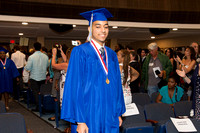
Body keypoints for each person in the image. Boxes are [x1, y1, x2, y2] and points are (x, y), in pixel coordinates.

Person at [61, 8, 125, 133]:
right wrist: (80, 120)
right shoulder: (80, 52)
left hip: (109, 112)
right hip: (89, 112)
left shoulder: (111, 54)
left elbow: (117, 85)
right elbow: (75, 86)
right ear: (90, 28)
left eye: (106, 27)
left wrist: (118, 112)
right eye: (98, 26)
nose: (103, 30)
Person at [24, 42, 49, 111]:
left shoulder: (31, 57)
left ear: (34, 48)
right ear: (40, 48)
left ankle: (39, 107)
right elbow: (47, 66)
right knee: (41, 92)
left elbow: (28, 68)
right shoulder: (45, 56)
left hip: (34, 77)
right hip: (43, 77)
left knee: (36, 93)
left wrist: (25, 66)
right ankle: (43, 105)